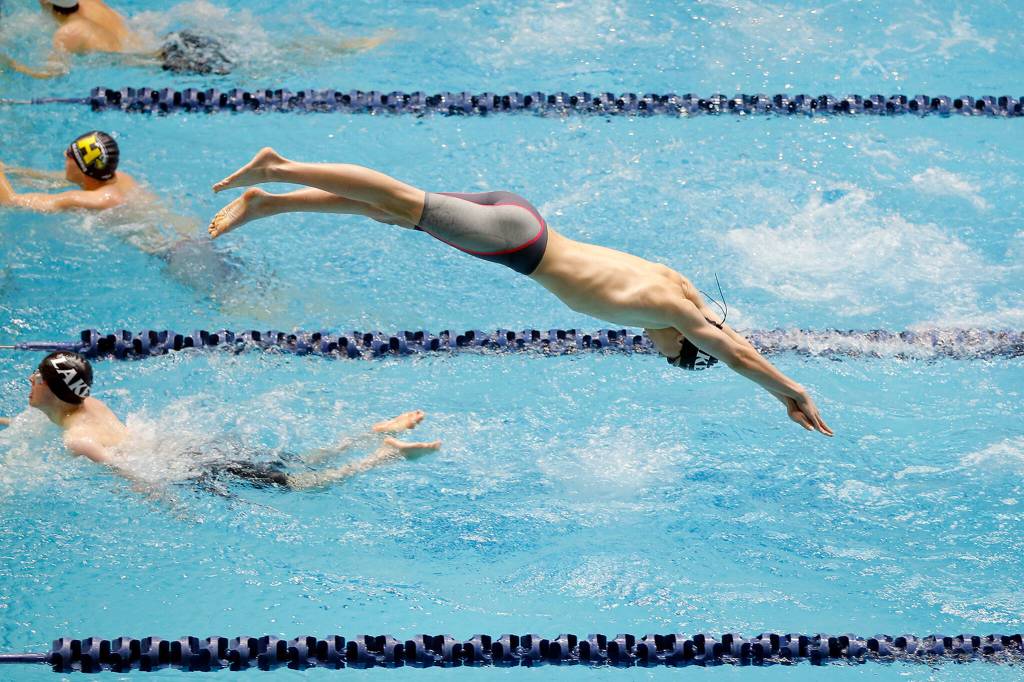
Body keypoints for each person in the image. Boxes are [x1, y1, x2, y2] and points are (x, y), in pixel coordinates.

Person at [208, 148, 833, 437]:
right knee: (400, 199)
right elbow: (737, 353)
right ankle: (278, 168)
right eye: (667, 352)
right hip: (516, 243)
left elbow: (724, 330)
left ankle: (269, 204)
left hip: (520, 217)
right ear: (685, 340)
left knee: (395, 211)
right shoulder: (667, 308)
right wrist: (792, 392)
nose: (654, 346)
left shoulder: (677, 286)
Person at [11, 351, 441, 491]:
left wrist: (173, 511)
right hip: (191, 444)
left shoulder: (77, 440)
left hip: (192, 466)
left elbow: (135, 478)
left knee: (298, 485)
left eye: (37, 376)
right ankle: (374, 432)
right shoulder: (90, 406)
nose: (30, 381)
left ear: (53, 388)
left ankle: (382, 455)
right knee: (299, 460)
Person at [0, 0, 392, 78]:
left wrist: (10, 64)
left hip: (171, 61)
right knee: (272, 53)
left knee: (265, 66)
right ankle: (349, 44)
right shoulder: (92, 5)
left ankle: (339, 52)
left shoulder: (68, 33)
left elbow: (51, 75)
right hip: (177, 39)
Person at [0, 130, 138, 212]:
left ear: (82, 170)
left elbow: (11, 201)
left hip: (156, 256)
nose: (65, 154)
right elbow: (49, 179)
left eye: (71, 154)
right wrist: (8, 169)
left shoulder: (92, 199)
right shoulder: (116, 177)